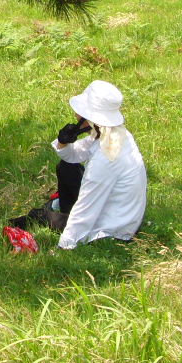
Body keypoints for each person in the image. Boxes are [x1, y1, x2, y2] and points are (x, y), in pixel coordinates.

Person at [49, 80, 147, 250]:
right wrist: (63, 142)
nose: (75, 115)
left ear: (91, 118)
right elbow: (74, 155)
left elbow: (86, 208)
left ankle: (50, 212)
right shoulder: (115, 135)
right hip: (122, 215)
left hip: (112, 230)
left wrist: (64, 245)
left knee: (42, 216)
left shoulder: (107, 157)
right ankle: (56, 207)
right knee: (66, 167)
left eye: (80, 112)